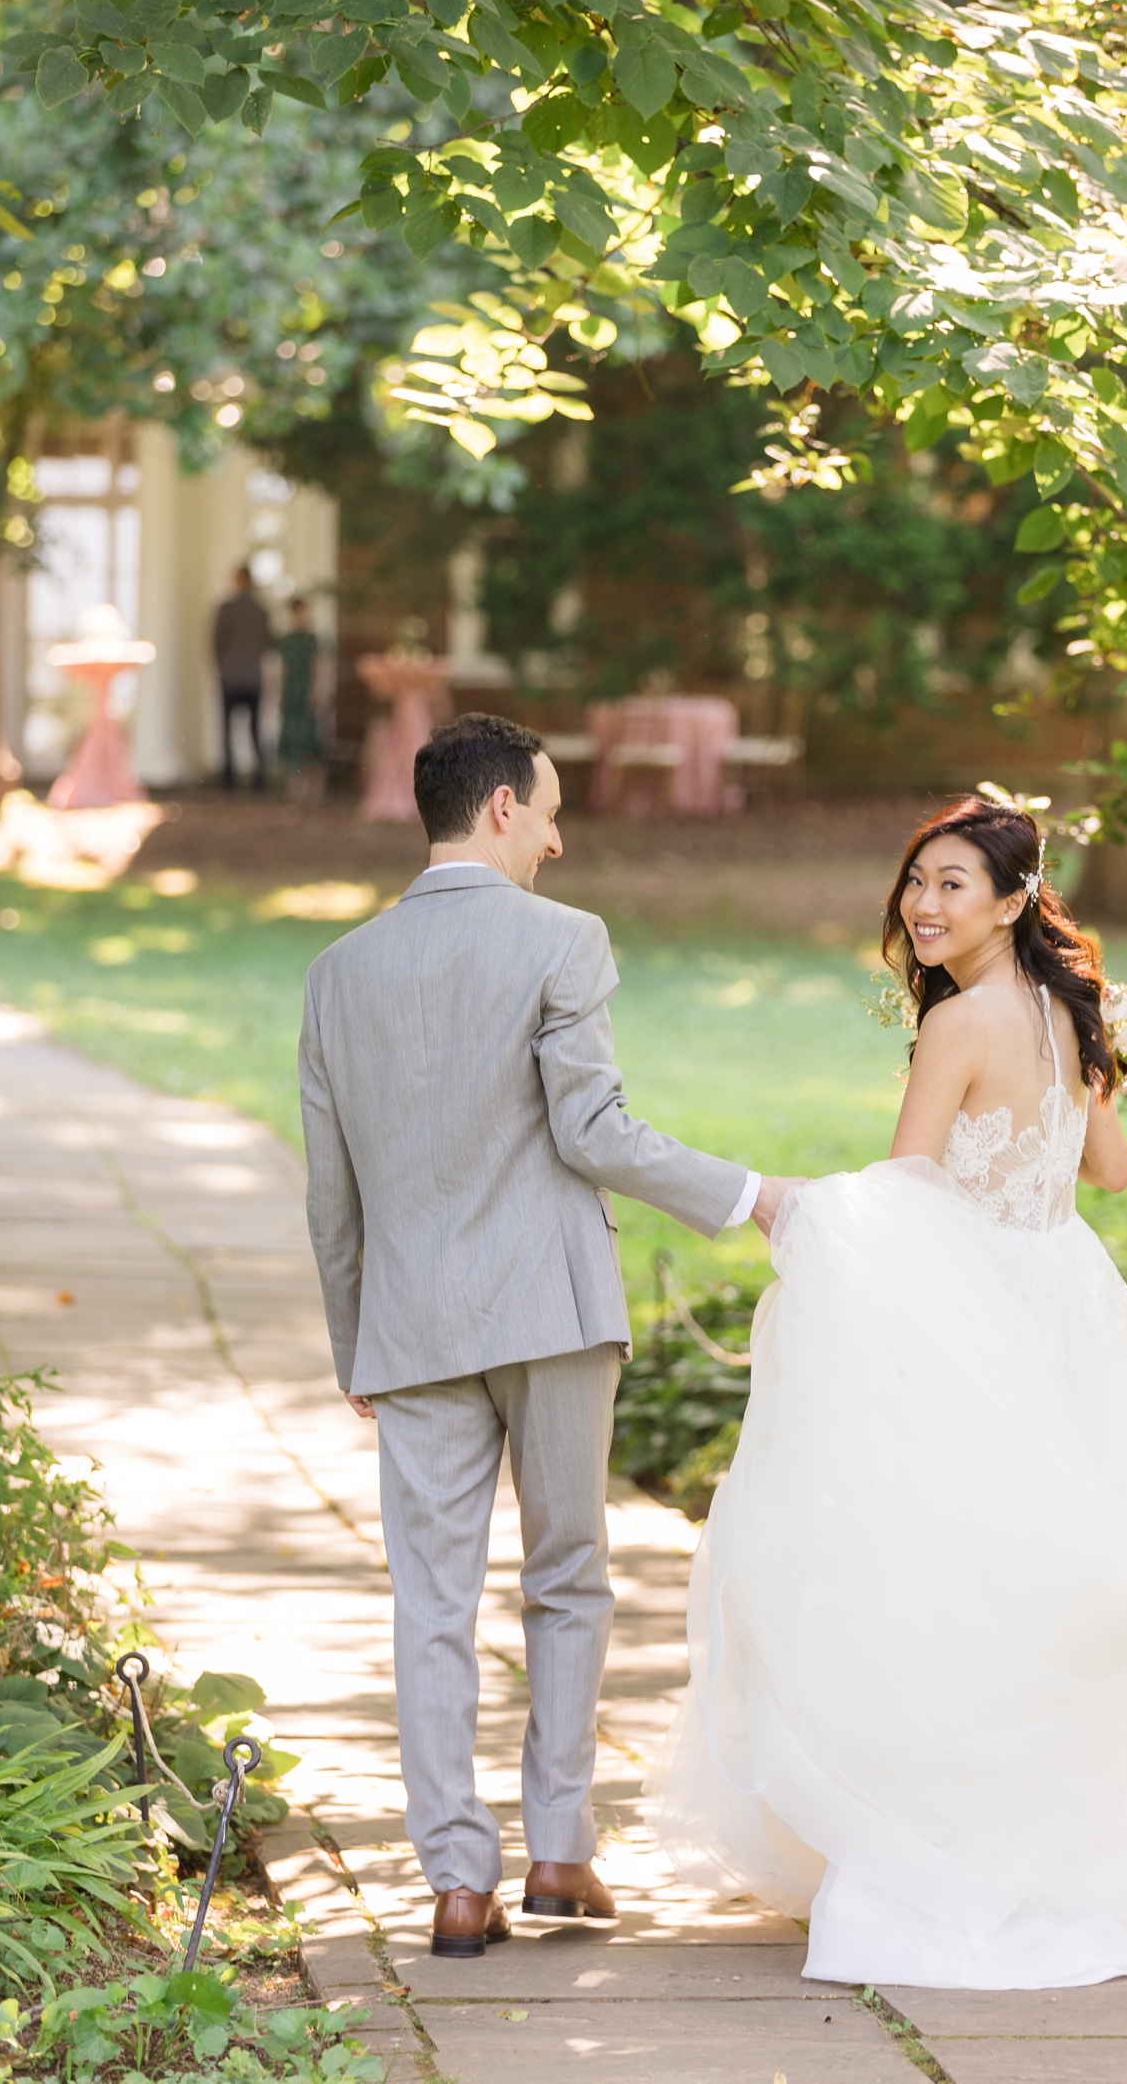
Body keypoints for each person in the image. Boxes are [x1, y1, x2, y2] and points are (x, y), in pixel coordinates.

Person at [647, 795, 1127, 1991]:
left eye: (954, 883)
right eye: (918, 881)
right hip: (1069, 1302)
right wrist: (1096, 1072)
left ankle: (941, 1847)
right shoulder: (1076, 1011)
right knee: (1036, 1575)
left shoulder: (959, 1023)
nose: (924, 904)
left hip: (978, 1307)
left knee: (948, 1577)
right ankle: (1048, 1851)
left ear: (1013, 899)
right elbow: (1105, 1169)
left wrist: (806, 1211)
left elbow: (905, 1195)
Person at [298, 712, 797, 1960]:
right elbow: (592, 1131)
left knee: (431, 1601)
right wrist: (749, 1194)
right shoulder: (563, 942)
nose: (563, 840)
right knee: (567, 1576)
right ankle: (561, 1855)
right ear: (503, 807)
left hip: (408, 1325)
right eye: (555, 810)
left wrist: (355, 1334)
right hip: (553, 1308)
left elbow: (329, 1187)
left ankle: (456, 1884)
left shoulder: (337, 971)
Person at [212, 564, 271, 791]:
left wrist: (222, 668)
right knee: (255, 731)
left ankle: (229, 780)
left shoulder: (227, 609)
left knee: (228, 731)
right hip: (252, 678)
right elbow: (267, 642)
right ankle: (258, 778)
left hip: (232, 678)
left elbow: (217, 642)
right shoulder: (260, 610)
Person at [274, 597, 323, 800]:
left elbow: (318, 667)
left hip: (306, 692)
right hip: (291, 691)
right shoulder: (286, 640)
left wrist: (315, 691)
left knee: (308, 741)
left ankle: (313, 788)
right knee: (292, 740)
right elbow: (283, 669)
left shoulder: (311, 639)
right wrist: (281, 694)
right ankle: (295, 788)